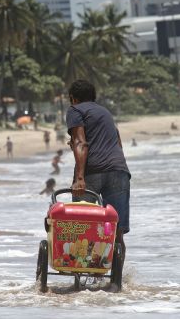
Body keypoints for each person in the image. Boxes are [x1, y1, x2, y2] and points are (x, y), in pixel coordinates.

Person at [66, 79, 130, 289]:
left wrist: (80, 177)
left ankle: (82, 282)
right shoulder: (105, 113)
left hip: (93, 172)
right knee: (116, 230)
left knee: (82, 227)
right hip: (119, 171)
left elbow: (80, 142)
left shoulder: (75, 110)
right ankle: (115, 283)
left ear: (73, 98)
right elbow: (117, 143)